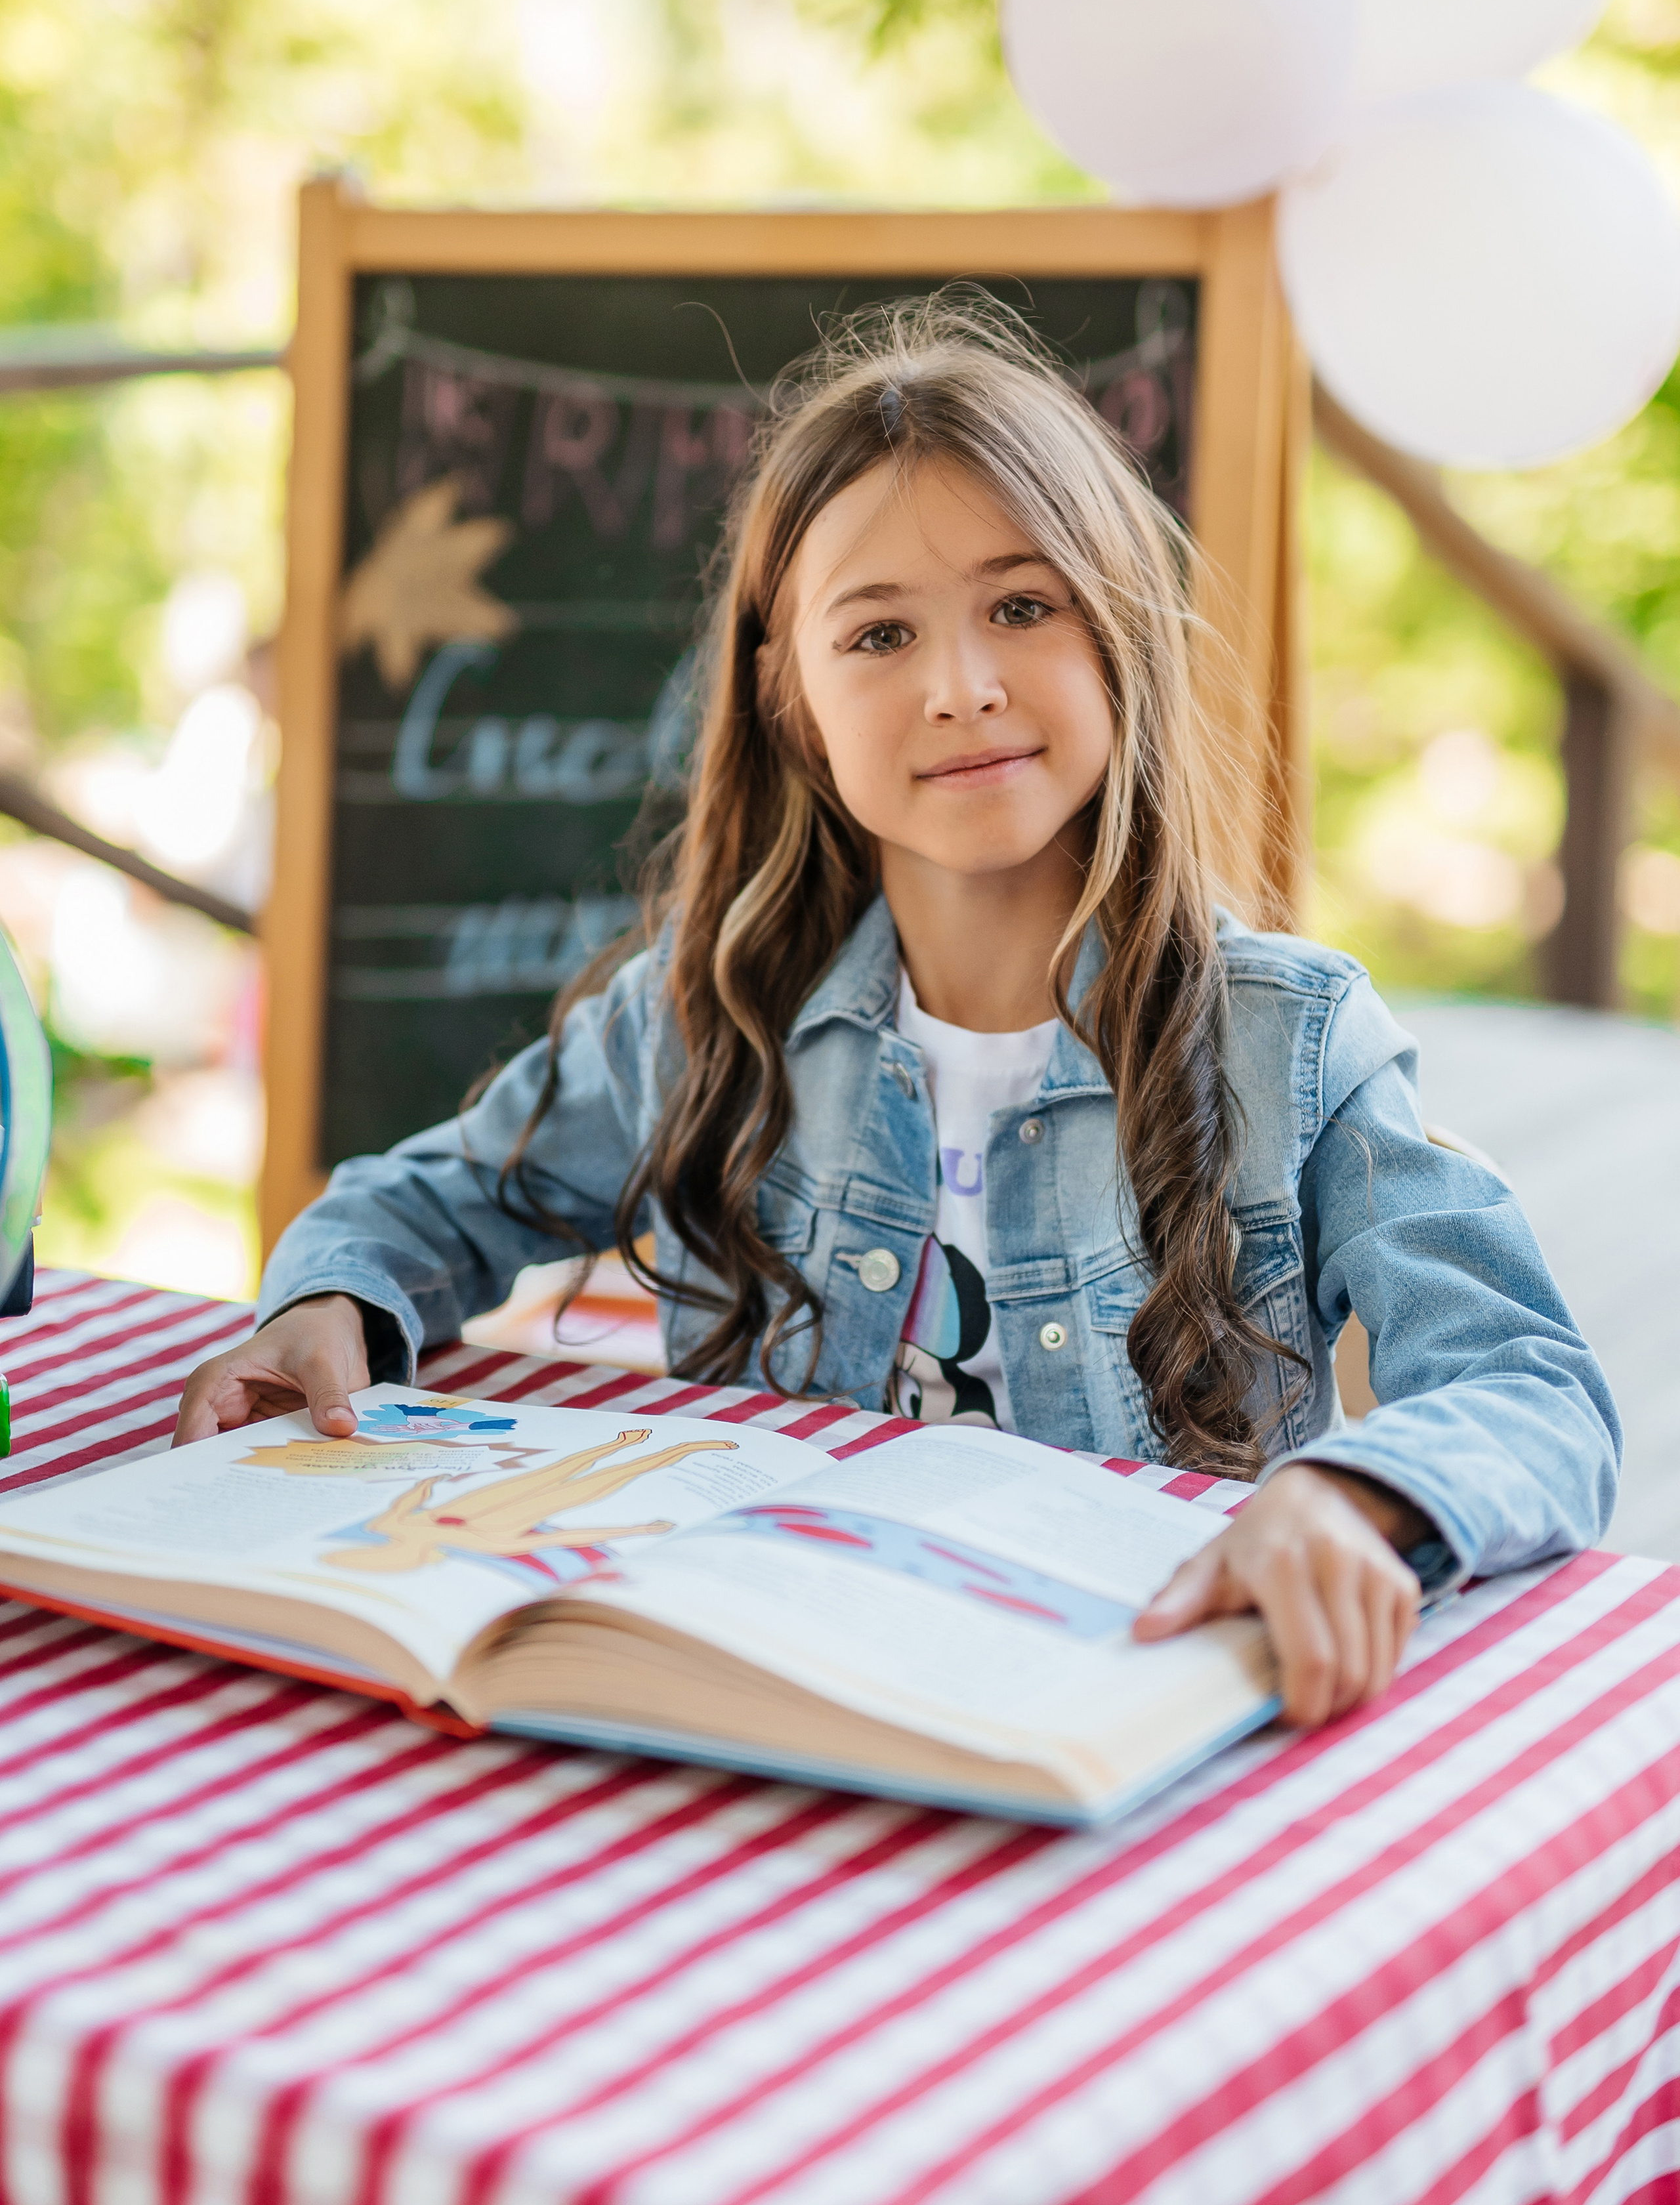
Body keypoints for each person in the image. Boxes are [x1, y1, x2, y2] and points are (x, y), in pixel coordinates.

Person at [175, 293, 1620, 1729]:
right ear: (787, 696)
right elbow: (424, 1203)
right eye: (876, 636)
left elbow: (1528, 1386)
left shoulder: (1288, 1042)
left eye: (1019, 605)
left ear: (1116, 629)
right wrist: (328, 1299)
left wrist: (1353, 1496)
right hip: (751, 1709)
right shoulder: (706, 1014)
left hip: (1132, 1736)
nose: (961, 687)